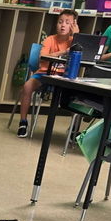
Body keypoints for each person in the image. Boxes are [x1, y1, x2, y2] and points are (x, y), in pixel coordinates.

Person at [16, 10, 79, 138]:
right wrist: (63, 52)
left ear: (73, 25)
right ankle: (23, 122)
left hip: (65, 76)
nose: (63, 25)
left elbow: (81, 57)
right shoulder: (50, 39)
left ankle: (73, 129)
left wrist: (77, 37)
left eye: (67, 23)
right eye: (60, 22)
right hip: (44, 74)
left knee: (78, 94)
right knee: (27, 86)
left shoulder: (75, 42)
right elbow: (43, 57)